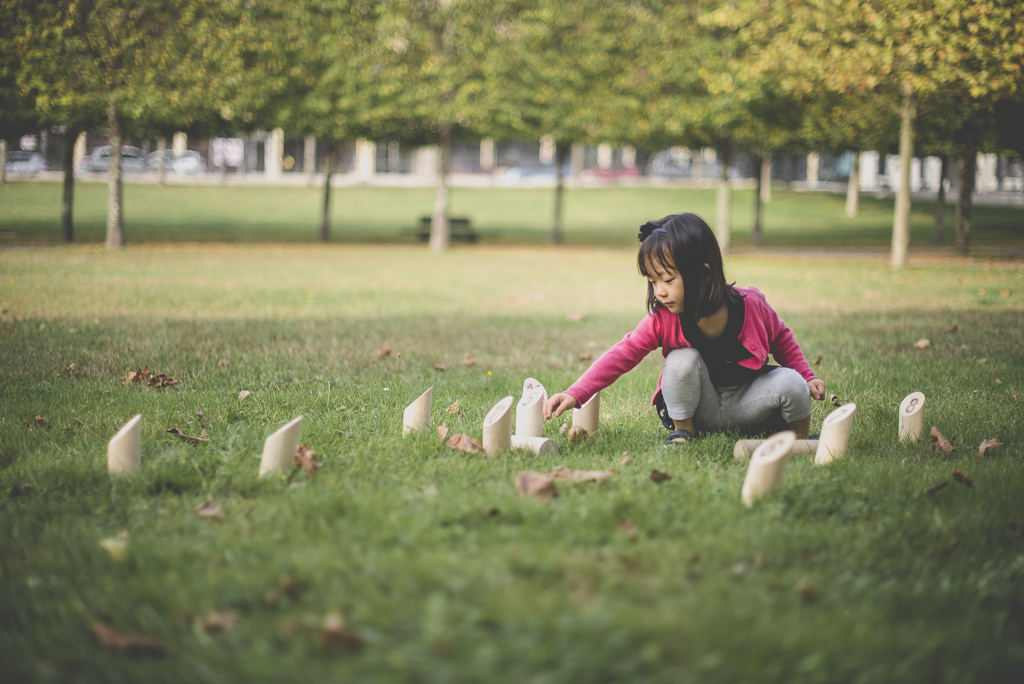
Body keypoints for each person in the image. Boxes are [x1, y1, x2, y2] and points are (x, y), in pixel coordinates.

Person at [543, 213, 826, 446]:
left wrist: (807, 375)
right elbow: (623, 353)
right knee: (680, 359)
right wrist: (575, 393)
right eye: (653, 282)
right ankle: (684, 434)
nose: (660, 292)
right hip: (698, 408)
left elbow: (781, 338)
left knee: (792, 382)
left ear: (703, 274)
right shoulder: (663, 318)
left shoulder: (751, 305)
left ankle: (799, 440)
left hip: (749, 405)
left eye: (667, 279)